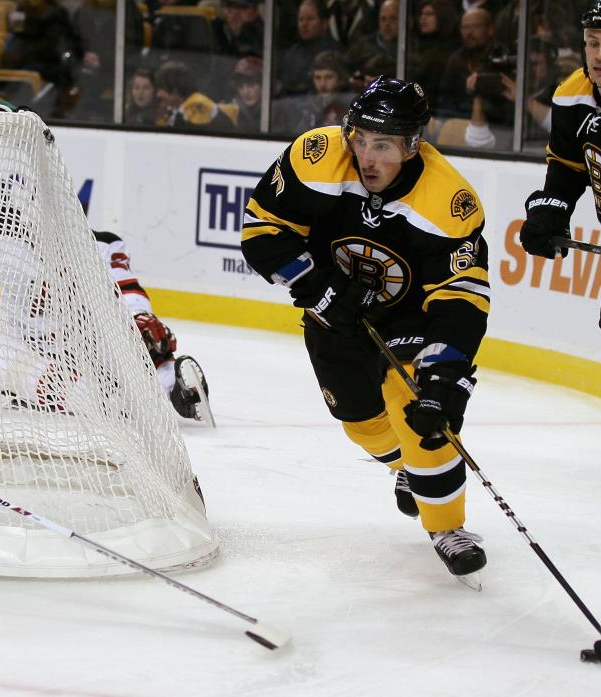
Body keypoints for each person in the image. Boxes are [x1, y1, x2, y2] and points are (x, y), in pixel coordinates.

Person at [241, 76, 491, 580]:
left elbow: (460, 298)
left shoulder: (449, 201)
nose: (367, 156)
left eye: (383, 145)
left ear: (413, 145)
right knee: (361, 424)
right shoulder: (315, 157)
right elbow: (261, 230)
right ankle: (405, 469)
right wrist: (320, 288)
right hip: (330, 311)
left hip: (410, 316)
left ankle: (446, 526)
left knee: (415, 402)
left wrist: (445, 372)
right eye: (360, 139)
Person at [517, 0, 601, 483]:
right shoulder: (571, 94)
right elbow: (566, 169)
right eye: (592, 43)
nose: (600, 55)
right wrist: (551, 210)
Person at [93, 230, 212, 423]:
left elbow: (123, 286)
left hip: (84, 337)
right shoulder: (28, 252)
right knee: (80, 389)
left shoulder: (103, 245)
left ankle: (175, 387)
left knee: (146, 338)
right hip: (44, 349)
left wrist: (139, 316)